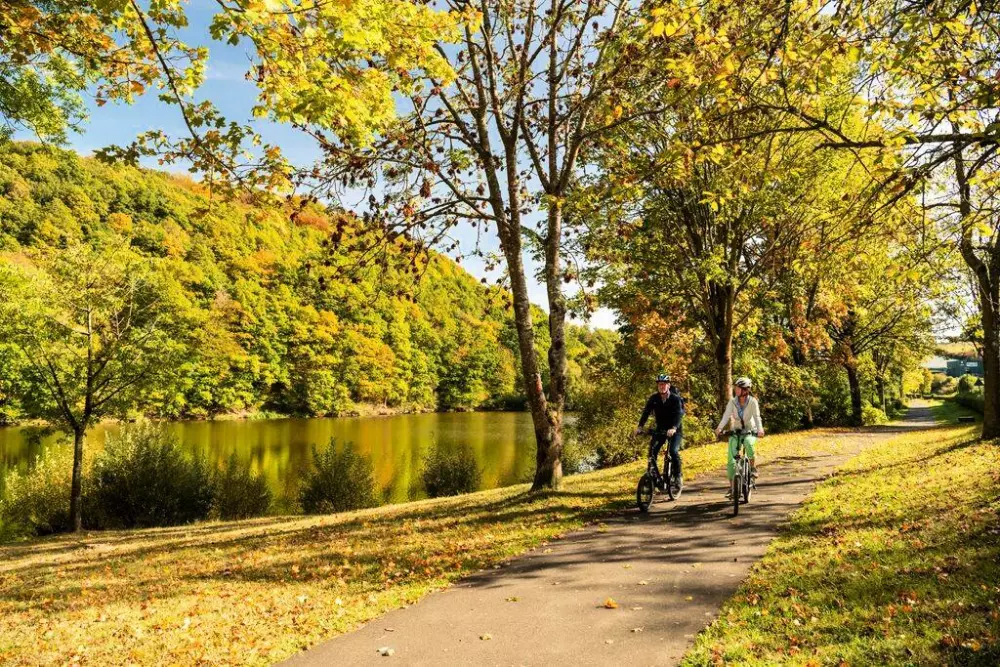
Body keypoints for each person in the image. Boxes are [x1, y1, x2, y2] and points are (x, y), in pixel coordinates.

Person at [714, 377, 764, 498]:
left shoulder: (752, 402)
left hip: (750, 430)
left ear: (745, 390)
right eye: (735, 387)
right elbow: (726, 416)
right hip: (736, 431)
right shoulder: (732, 402)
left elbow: (757, 417)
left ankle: (752, 467)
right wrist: (719, 428)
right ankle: (732, 488)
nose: (735, 390)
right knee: (731, 461)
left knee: (748, 443)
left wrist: (760, 429)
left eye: (738, 388)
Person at [634, 373, 682, 492]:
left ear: (668, 385)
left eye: (664, 384)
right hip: (660, 429)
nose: (661, 386)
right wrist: (640, 426)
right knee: (652, 452)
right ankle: (655, 478)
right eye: (659, 384)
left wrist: (674, 427)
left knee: (673, 451)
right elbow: (646, 412)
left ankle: (677, 476)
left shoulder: (675, 399)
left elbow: (679, 415)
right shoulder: (654, 398)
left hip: (674, 430)